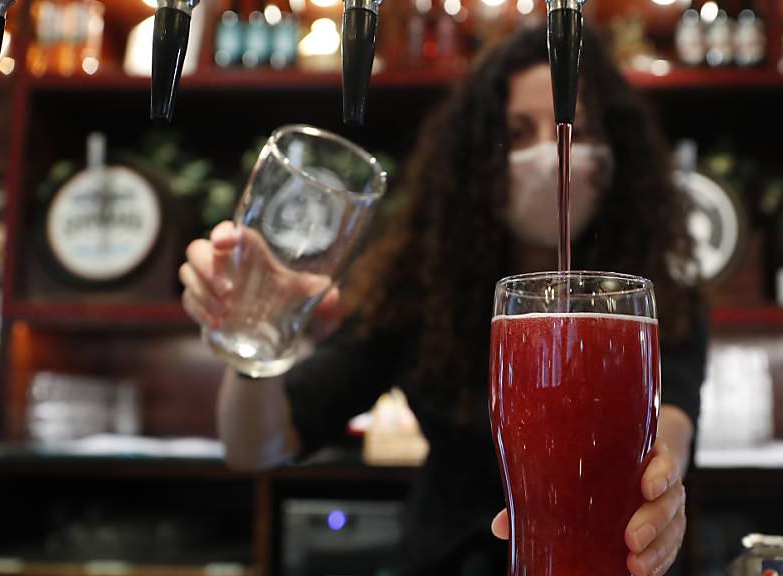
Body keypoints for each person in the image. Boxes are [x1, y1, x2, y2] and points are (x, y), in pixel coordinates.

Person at [179, 24, 707, 576]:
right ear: (479, 157)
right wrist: (259, 333)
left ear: (618, 150)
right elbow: (257, 447)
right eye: (518, 132)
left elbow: (666, 430)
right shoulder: (422, 283)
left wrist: (656, 494)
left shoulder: (654, 294)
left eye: (575, 130)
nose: (549, 156)